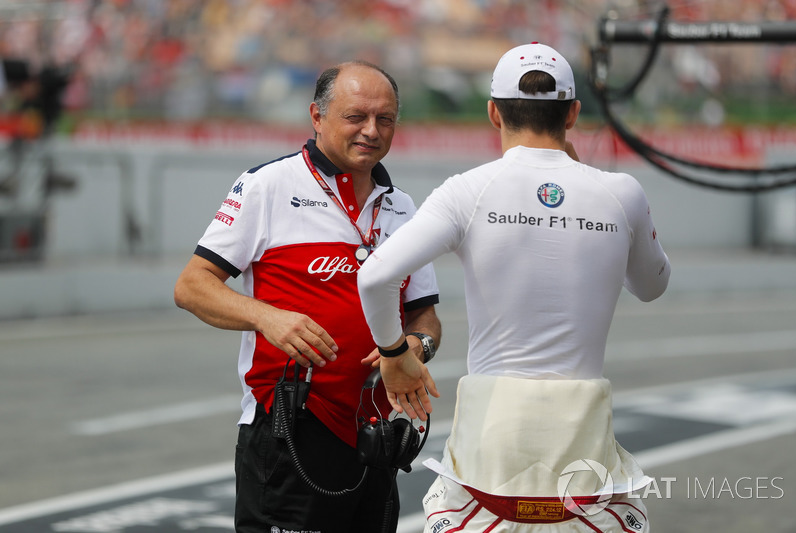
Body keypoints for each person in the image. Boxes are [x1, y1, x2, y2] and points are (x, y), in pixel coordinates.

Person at [357, 42, 670, 532]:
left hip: (491, 441)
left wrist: (395, 356)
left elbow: (375, 276)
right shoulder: (621, 192)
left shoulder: (468, 189)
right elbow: (652, 286)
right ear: (572, 114)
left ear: (493, 113)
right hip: (581, 441)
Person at [174, 60, 441, 533]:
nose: (371, 131)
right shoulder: (268, 185)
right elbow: (193, 286)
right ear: (316, 117)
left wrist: (417, 348)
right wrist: (268, 318)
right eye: (355, 116)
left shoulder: (403, 206)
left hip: (377, 432)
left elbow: (424, 314)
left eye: (385, 119)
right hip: (290, 427)